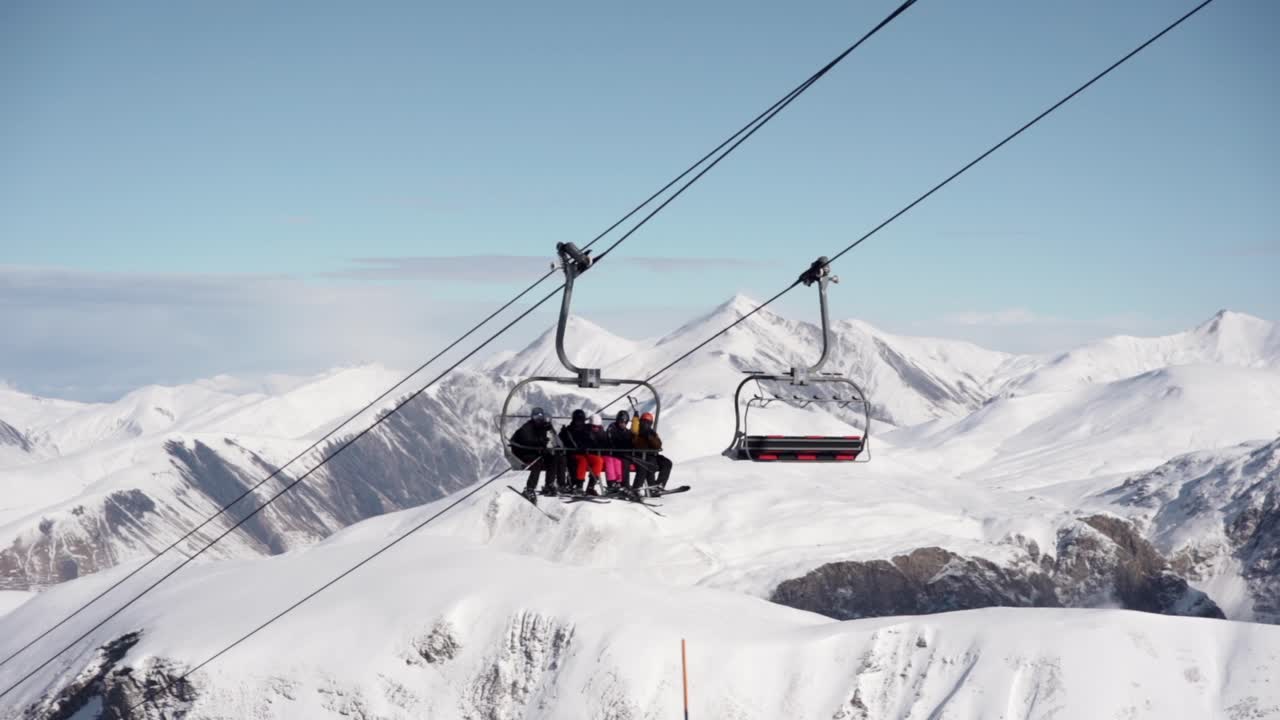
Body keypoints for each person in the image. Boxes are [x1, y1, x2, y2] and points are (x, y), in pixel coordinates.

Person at [508, 407, 563, 502]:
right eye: (536, 417)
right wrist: (540, 443)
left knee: (553, 458)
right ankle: (529, 488)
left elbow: (554, 440)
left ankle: (549, 484)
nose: (539, 419)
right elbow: (526, 440)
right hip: (524, 452)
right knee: (537, 463)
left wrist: (555, 444)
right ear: (532, 418)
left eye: (540, 417)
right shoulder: (527, 427)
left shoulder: (545, 427)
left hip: (536, 451)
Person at [631, 411, 673, 494]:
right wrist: (636, 421)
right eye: (644, 422)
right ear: (641, 422)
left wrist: (650, 437)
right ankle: (650, 487)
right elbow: (636, 442)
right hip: (641, 456)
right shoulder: (636, 432)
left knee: (667, 463)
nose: (646, 424)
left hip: (653, 455)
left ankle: (659, 485)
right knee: (650, 464)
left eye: (648, 422)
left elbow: (658, 445)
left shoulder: (652, 433)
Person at [605, 410, 633, 491]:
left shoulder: (627, 432)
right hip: (613, 454)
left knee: (621, 462)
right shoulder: (612, 428)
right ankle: (614, 483)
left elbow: (630, 443)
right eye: (621, 421)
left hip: (622, 455)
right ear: (617, 421)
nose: (623, 424)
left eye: (625, 422)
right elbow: (611, 440)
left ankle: (620, 483)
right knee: (616, 461)